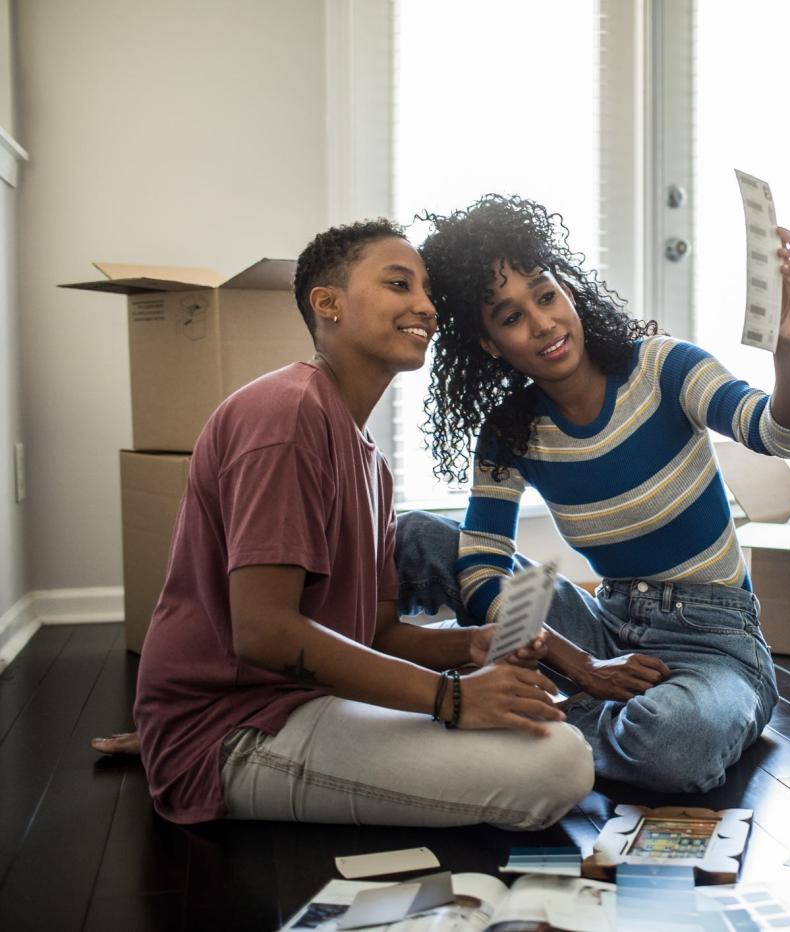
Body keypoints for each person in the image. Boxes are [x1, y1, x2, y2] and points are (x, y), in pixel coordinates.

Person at [128, 218, 594, 828]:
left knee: (541, 732)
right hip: (231, 732)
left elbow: (375, 633)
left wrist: (469, 647)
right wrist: (451, 697)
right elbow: (262, 633)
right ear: (328, 304)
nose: (425, 306)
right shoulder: (285, 413)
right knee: (556, 766)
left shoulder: (369, 462)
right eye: (399, 285)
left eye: (427, 292)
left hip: (308, 703)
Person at [396, 194, 790, 793]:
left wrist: (789, 346)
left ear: (566, 291)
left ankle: (498, 708)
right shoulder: (510, 431)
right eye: (511, 317)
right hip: (603, 628)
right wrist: (583, 666)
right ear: (490, 344)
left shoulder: (665, 370)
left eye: (545, 295)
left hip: (715, 646)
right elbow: (481, 570)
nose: (542, 323)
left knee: (672, 745)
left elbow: (784, 435)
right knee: (417, 536)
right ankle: (417, 683)